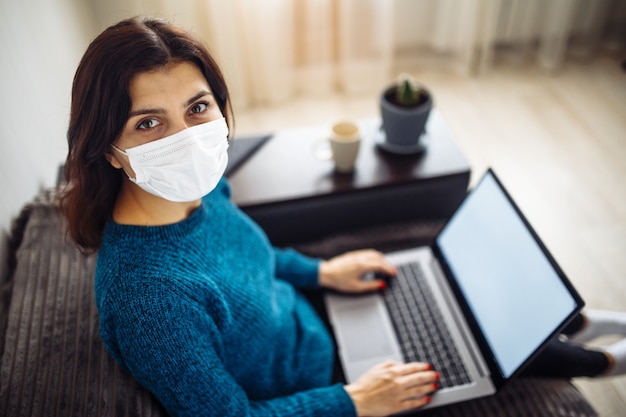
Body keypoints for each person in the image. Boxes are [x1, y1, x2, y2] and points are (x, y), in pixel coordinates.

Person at [60, 16, 626, 417]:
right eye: (148, 123)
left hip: (320, 322)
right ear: (106, 146)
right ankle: (599, 362)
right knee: (474, 350)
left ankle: (569, 322)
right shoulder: (148, 300)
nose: (187, 138)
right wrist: (354, 401)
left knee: (450, 294)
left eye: (198, 107)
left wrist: (320, 273)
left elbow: (251, 260)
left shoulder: (197, 192)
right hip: (330, 384)